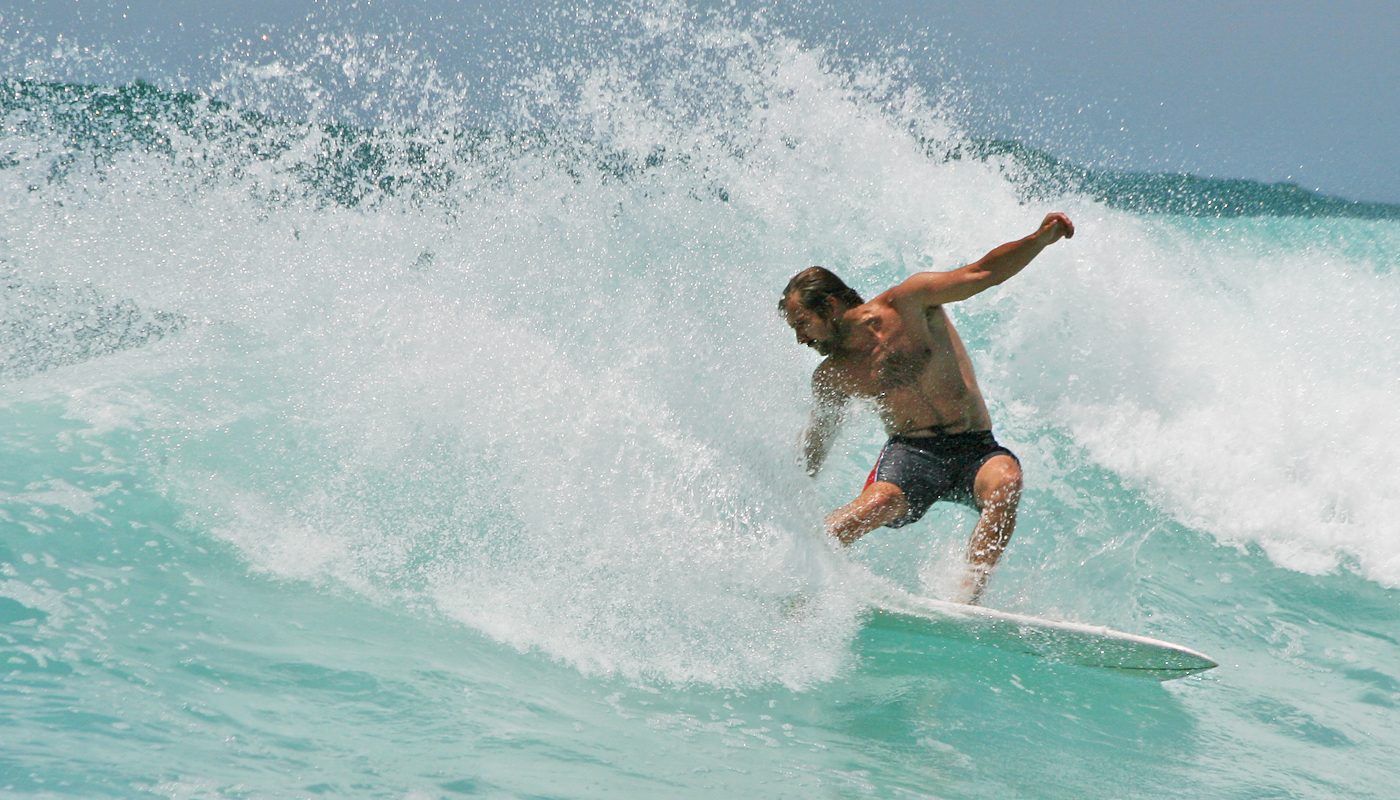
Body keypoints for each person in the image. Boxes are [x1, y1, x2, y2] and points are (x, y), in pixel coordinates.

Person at [780, 213, 1074, 604]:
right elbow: (818, 443)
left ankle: (965, 600)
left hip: (975, 447)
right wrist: (788, 495)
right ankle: (794, 581)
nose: (800, 338)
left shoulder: (910, 302)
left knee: (1006, 482)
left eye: (803, 322)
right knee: (876, 504)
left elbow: (983, 273)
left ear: (830, 305)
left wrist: (1039, 240)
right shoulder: (832, 375)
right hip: (912, 453)